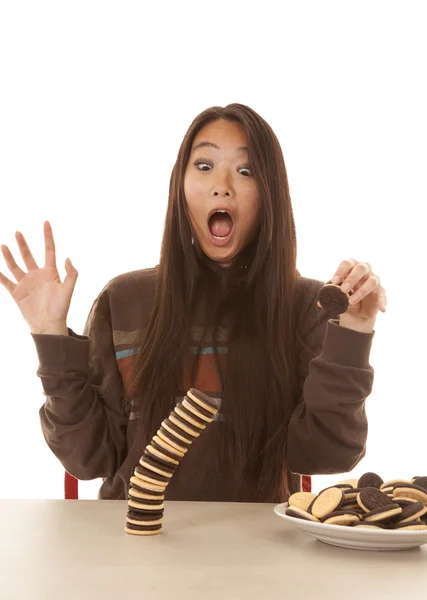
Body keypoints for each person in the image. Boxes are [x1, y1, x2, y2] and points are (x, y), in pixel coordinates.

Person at [0, 103, 387, 503]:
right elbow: (89, 457)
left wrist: (355, 334)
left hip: (258, 555)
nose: (223, 185)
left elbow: (328, 452)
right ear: (179, 187)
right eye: (204, 166)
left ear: (270, 193)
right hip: (134, 546)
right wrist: (50, 336)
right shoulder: (124, 299)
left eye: (246, 170)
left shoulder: (305, 306)